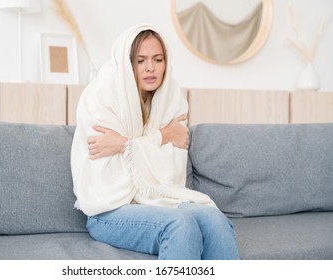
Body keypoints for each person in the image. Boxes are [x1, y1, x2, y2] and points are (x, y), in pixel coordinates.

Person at [71, 24, 239, 260]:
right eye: (140, 61)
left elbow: (171, 167)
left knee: (214, 220)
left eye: (158, 59)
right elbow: (111, 172)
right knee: (179, 224)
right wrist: (161, 136)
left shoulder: (171, 98)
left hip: (157, 200)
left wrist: (124, 145)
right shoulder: (101, 96)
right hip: (107, 209)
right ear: (127, 63)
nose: (151, 68)